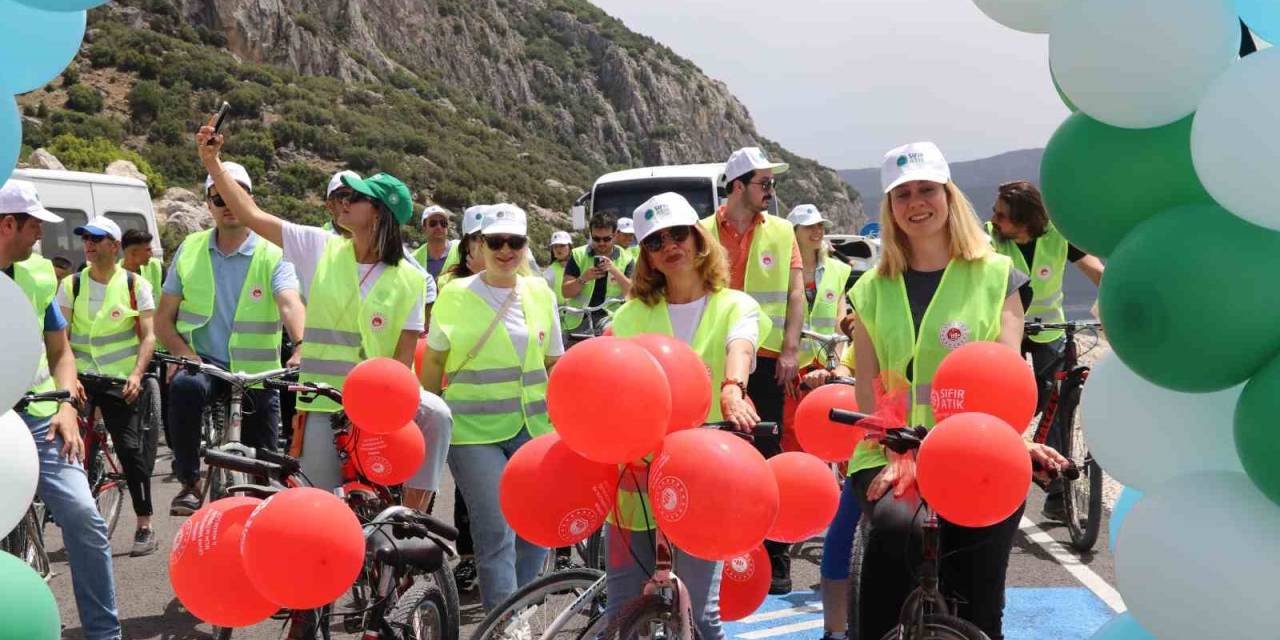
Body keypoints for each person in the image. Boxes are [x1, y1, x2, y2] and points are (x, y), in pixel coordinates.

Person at [847, 142, 1068, 640]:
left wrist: (1013, 439)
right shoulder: (871, 290)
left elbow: (1006, 378)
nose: (916, 203)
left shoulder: (997, 277)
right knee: (892, 543)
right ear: (890, 207)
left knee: (977, 600)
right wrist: (893, 450)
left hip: (978, 454)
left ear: (948, 196)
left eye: (927, 189)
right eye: (902, 194)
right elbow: (867, 389)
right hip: (891, 453)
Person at [196, 124, 451, 516]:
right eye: (342, 197)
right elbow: (250, 214)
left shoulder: (413, 279)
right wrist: (212, 162)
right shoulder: (320, 247)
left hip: (377, 407)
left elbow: (402, 363)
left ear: (379, 212)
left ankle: (412, 518)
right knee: (320, 507)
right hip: (321, 401)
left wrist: (388, 415)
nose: (342, 203)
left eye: (354, 197)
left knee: (437, 415)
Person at [607, 192, 768, 640]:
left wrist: (733, 389)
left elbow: (741, 344)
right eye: (656, 242)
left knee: (701, 617)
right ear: (648, 258)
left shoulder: (735, 304)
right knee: (621, 612)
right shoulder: (630, 316)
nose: (669, 245)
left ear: (700, 240)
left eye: (678, 234)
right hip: (635, 472)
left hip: (704, 475)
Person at [421, 203, 563, 611]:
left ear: (525, 246)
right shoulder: (455, 295)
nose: (505, 250)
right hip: (472, 433)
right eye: (495, 242)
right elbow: (433, 361)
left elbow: (553, 361)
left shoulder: (540, 292)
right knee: (497, 528)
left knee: (537, 525)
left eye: (514, 242)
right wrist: (428, 421)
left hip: (533, 429)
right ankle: (508, 623)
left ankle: (518, 606)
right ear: (478, 245)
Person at [0, 179, 121, 640]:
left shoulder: (38, 275)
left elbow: (61, 353)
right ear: (9, 223)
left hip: (38, 416)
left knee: (84, 518)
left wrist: (67, 403)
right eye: (35, 225)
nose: (42, 236)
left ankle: (104, 634)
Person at [155, 161, 307, 515]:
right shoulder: (190, 248)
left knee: (264, 476)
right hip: (204, 365)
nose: (227, 204)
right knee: (184, 389)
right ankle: (190, 480)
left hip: (256, 373)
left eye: (235, 196)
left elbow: (289, 303)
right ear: (208, 204)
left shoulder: (273, 252)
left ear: (249, 200)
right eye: (218, 198)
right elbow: (163, 319)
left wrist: (300, 343)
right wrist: (183, 354)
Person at [701, 146, 804, 593]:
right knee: (715, 457)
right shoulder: (699, 232)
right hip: (710, 363)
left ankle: (775, 557)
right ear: (738, 186)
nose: (771, 191)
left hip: (764, 362)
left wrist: (790, 349)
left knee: (767, 455)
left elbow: (796, 293)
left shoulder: (783, 232)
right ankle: (716, 554)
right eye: (765, 183)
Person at [986, 180, 1105, 521]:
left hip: (1049, 325)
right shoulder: (988, 238)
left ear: (1025, 220)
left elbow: (1095, 269)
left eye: (1002, 215)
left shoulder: (1057, 235)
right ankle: (1002, 449)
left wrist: (1116, 298)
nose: (994, 219)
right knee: (1009, 394)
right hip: (1005, 325)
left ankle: (1056, 490)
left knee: (1057, 392)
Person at [56, 217, 161, 556]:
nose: (88, 243)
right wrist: (69, 380)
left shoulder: (134, 285)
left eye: (97, 238)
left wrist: (136, 375)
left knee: (130, 449)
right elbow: (62, 340)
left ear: (114, 246)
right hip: (81, 379)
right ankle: (68, 515)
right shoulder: (71, 285)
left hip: (120, 380)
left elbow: (148, 337)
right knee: (66, 443)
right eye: (85, 237)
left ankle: (144, 523)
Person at [779, 204, 850, 453]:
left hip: (827, 362)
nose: (817, 231)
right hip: (794, 366)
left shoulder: (839, 270)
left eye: (820, 225)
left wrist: (839, 363)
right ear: (794, 232)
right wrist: (786, 358)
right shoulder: (782, 272)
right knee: (794, 427)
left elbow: (841, 320)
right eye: (809, 226)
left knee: (831, 424)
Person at [560, 212, 634, 334]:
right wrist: (583, 278)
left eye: (606, 239)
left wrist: (614, 270)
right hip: (578, 320)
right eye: (596, 239)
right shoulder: (578, 255)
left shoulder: (627, 258)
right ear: (591, 235)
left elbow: (632, 294)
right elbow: (566, 292)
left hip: (610, 319)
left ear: (615, 235)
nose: (601, 243)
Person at [437, 204, 488, 289]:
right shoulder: (446, 283)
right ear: (466, 245)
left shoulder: (512, 281)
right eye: (477, 237)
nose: (484, 243)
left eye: (489, 237)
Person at [413, 205, 458, 281]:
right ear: (424, 228)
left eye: (443, 223)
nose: (439, 227)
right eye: (433, 223)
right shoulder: (414, 259)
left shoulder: (461, 251)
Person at [118, 228, 163, 295]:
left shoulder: (157, 267)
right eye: (148, 250)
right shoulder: (113, 274)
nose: (152, 254)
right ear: (133, 252)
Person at [321, 169, 360, 235]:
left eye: (357, 196)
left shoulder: (374, 240)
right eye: (344, 195)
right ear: (330, 205)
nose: (349, 202)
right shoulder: (321, 240)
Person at [542, 230, 572, 304]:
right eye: (555, 247)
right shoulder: (550, 271)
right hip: (560, 314)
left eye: (562, 245)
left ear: (570, 247)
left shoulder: (580, 265)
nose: (558, 249)